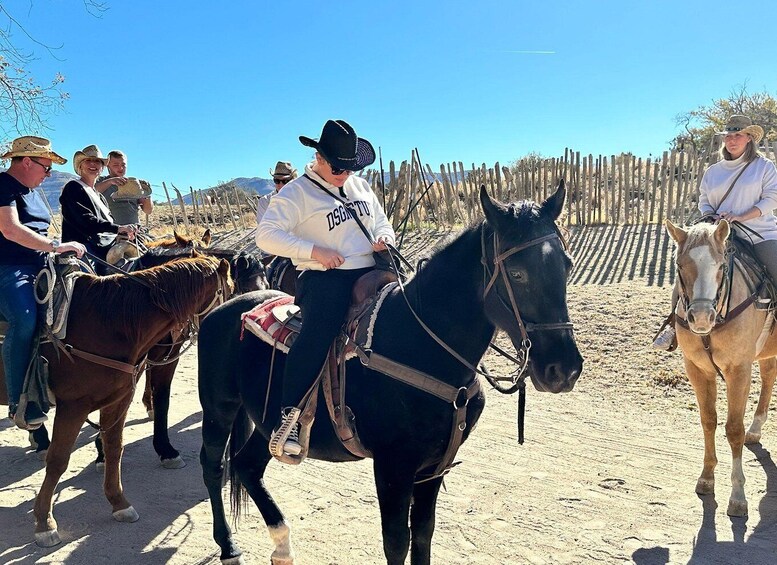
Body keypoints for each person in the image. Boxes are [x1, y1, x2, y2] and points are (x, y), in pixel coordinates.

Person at [255, 119, 395, 460]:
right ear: (318, 157)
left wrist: (385, 238)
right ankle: (289, 417)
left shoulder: (359, 186)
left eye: (350, 168)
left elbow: (380, 219)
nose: (344, 175)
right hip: (327, 277)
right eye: (337, 168)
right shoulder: (296, 193)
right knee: (318, 333)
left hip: (373, 270)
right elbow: (266, 234)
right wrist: (314, 251)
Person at [653, 115, 777, 350]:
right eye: (729, 136)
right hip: (718, 235)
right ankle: (673, 326)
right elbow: (704, 201)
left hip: (760, 233)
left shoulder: (764, 167)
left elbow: (772, 198)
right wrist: (711, 216)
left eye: (738, 135)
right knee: (686, 274)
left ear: (749, 138)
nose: (732, 140)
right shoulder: (713, 172)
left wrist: (741, 216)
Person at [0, 136, 87, 429]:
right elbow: (10, 230)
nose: (48, 174)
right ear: (26, 161)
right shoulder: (4, 185)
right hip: (9, 267)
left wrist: (60, 250)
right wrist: (54, 246)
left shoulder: (33, 191)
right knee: (24, 320)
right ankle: (19, 401)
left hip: (40, 263)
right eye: (45, 167)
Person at [60, 145, 136, 275]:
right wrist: (117, 228)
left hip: (102, 248)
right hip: (82, 248)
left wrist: (122, 232)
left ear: (102, 168)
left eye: (97, 162)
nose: (93, 164)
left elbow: (105, 223)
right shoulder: (73, 188)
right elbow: (85, 220)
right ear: (80, 166)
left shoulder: (99, 196)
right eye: (88, 161)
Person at [95, 150, 153, 225]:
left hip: (133, 231)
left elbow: (148, 211)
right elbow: (91, 191)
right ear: (108, 165)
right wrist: (110, 182)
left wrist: (145, 194)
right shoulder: (100, 181)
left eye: (123, 165)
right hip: (109, 232)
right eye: (116, 165)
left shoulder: (133, 184)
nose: (121, 168)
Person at [256, 161, 298, 226]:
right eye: (277, 181)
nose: (281, 185)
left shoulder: (301, 199)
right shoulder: (265, 202)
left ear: (293, 180)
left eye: (285, 181)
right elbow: (264, 229)